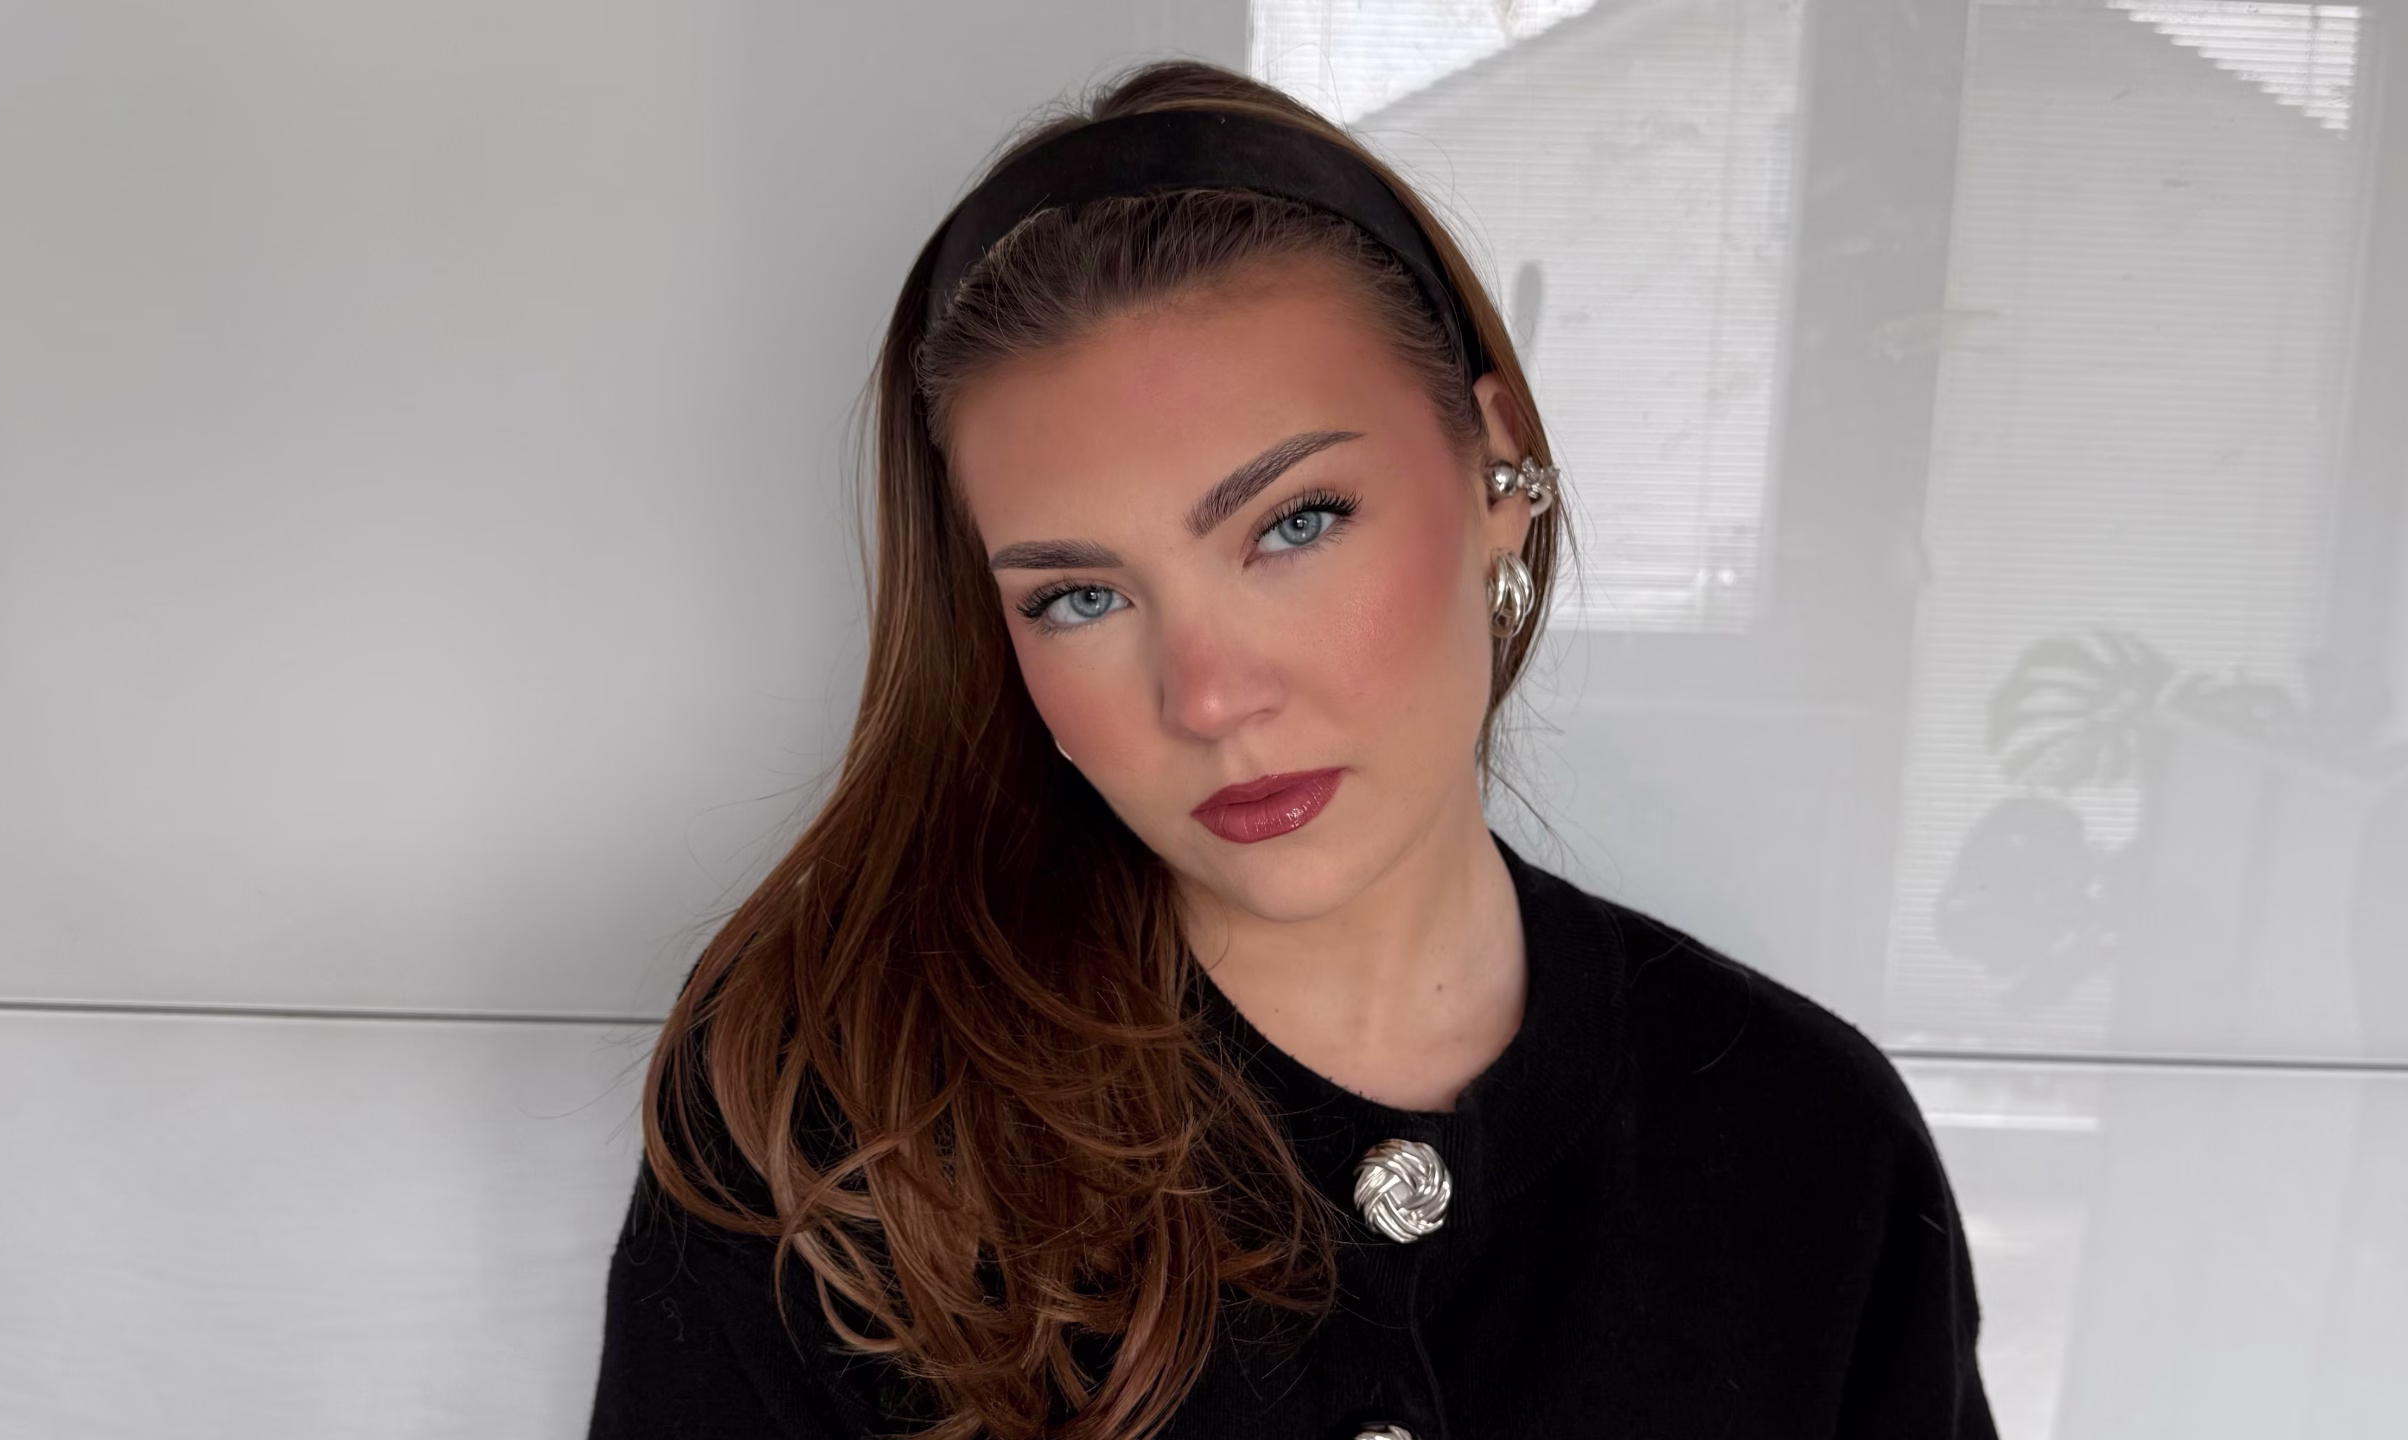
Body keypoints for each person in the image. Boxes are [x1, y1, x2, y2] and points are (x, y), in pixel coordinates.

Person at [588, 58, 1994, 1440]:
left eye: (1296, 524)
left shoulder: (1811, 1148)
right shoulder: (830, 1145)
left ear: (1496, 470)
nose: (1208, 698)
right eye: (1079, 598)